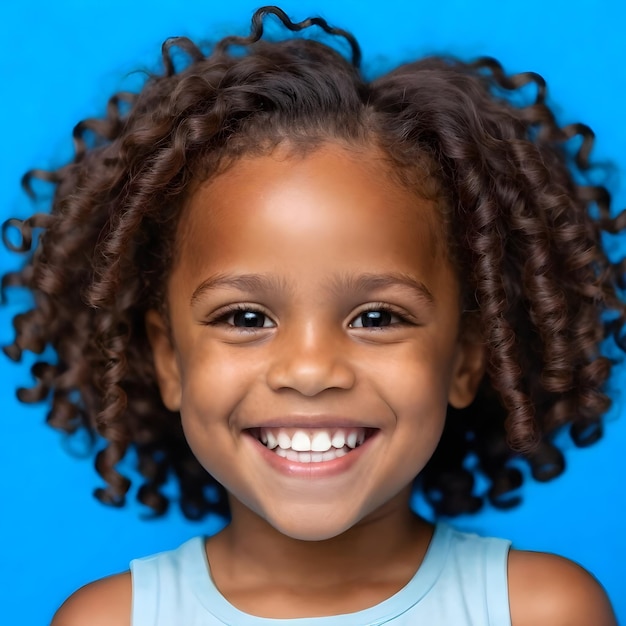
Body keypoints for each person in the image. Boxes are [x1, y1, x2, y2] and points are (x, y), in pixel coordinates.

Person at [3, 5, 622, 625]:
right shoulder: (112, 620)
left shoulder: (540, 611)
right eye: (245, 318)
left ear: (464, 359)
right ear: (169, 359)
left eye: (377, 318)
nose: (308, 369)